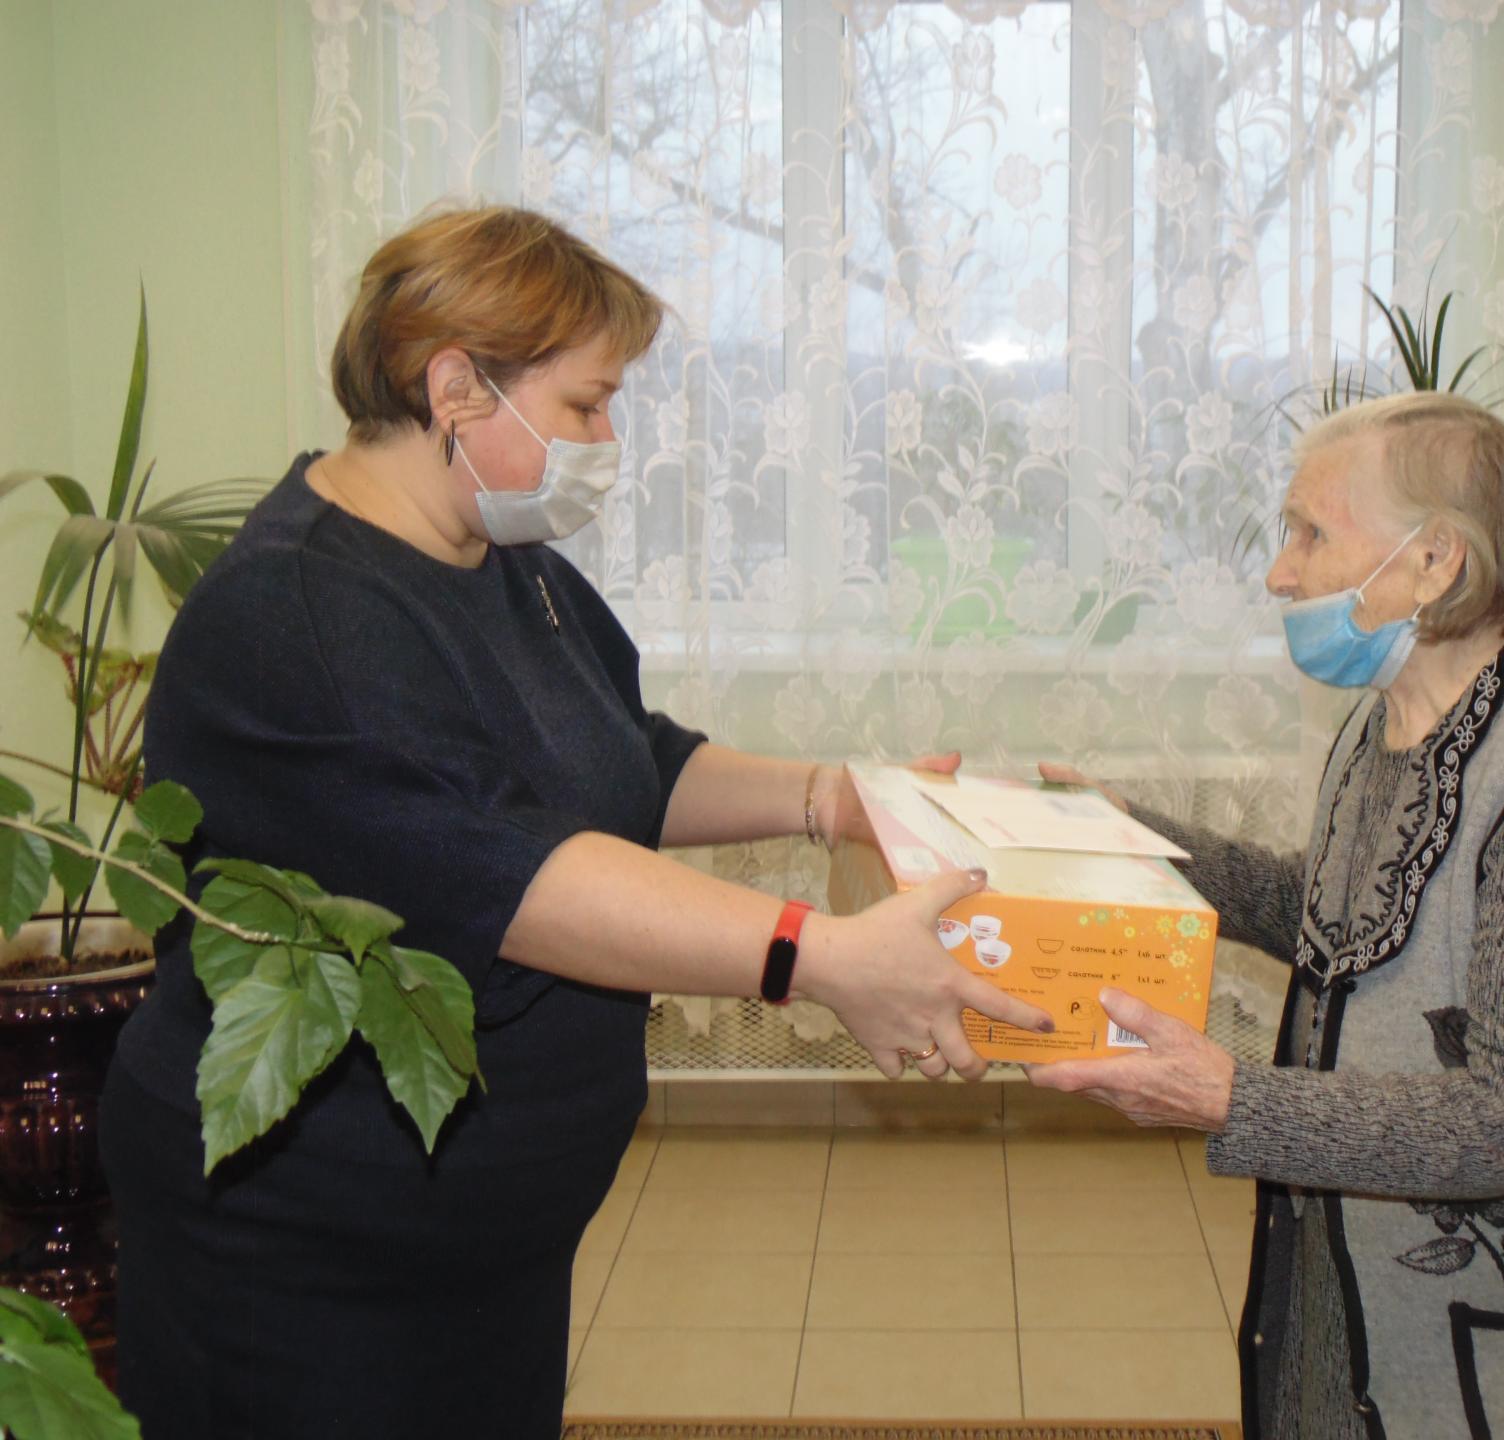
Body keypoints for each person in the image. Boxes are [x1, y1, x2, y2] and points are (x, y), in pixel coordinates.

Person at [99, 205, 1053, 1440]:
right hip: (312, 1260)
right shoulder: (300, 617)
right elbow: (516, 874)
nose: (607, 441)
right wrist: (816, 956)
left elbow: (622, 759)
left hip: (482, 1248)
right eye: (587, 404)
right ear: (456, 388)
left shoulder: (499, 559)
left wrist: (831, 795)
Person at [1030, 392, 1504, 1439]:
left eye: (1312, 533)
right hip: (1378, 1308)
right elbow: (1330, 913)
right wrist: (1132, 836)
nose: (1280, 572)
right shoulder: (1391, 717)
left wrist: (1230, 1099)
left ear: (1435, 561)